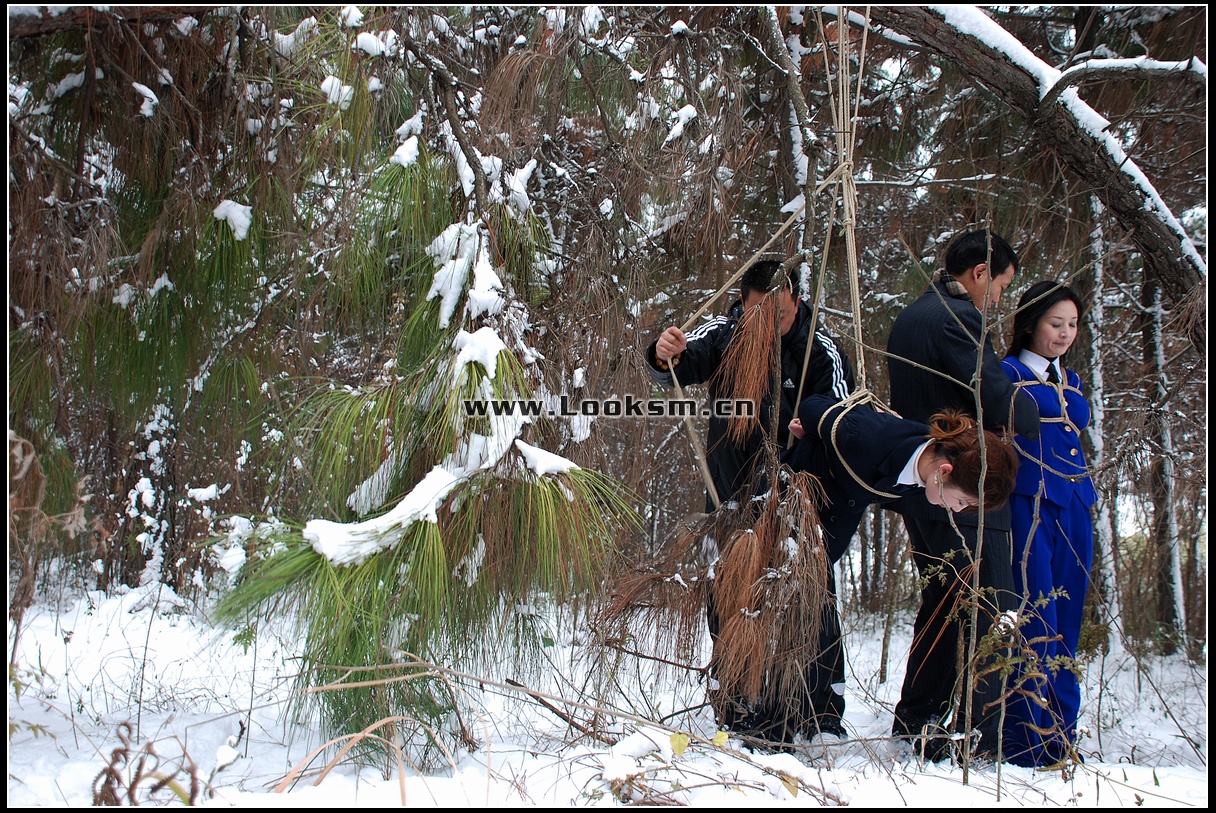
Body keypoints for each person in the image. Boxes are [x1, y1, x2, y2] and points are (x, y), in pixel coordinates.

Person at [645, 258, 854, 745]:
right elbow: (675, 365)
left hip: (796, 499)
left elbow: (846, 416)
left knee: (810, 595)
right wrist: (662, 353)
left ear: (796, 304)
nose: (764, 328)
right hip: (731, 494)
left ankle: (819, 713)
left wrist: (816, 426)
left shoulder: (820, 351)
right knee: (732, 595)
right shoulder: (724, 333)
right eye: (755, 314)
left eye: (776, 317)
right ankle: (737, 704)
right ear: (742, 303)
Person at [884, 228, 1041, 762]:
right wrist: (1031, 412)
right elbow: (995, 398)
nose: (998, 298)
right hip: (965, 486)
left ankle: (917, 721)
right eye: (1001, 284)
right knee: (995, 603)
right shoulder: (959, 319)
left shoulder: (909, 317)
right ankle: (978, 739)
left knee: (943, 601)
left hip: (922, 485)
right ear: (979, 274)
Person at [999, 282, 1096, 768]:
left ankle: (1061, 736)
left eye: (1072, 325)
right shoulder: (1007, 373)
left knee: (1069, 624)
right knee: (1036, 619)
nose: (1064, 334)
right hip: (1030, 506)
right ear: (1031, 323)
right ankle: (1024, 741)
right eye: (1055, 323)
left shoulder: (1073, 380)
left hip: (1077, 505)